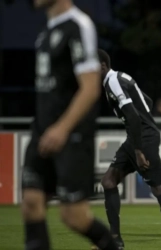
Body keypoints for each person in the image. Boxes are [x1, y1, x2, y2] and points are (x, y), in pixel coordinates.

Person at [21, 1, 118, 250]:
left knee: (73, 217)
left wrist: (62, 128)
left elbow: (90, 87)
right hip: (42, 130)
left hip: (71, 135)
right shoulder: (46, 31)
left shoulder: (79, 25)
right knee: (31, 202)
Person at [94, 49, 161, 250]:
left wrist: (138, 150)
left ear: (102, 65)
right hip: (137, 137)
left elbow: (134, 117)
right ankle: (115, 241)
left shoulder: (113, 81)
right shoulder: (119, 78)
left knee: (158, 188)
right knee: (108, 181)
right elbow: (147, 102)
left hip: (143, 139)